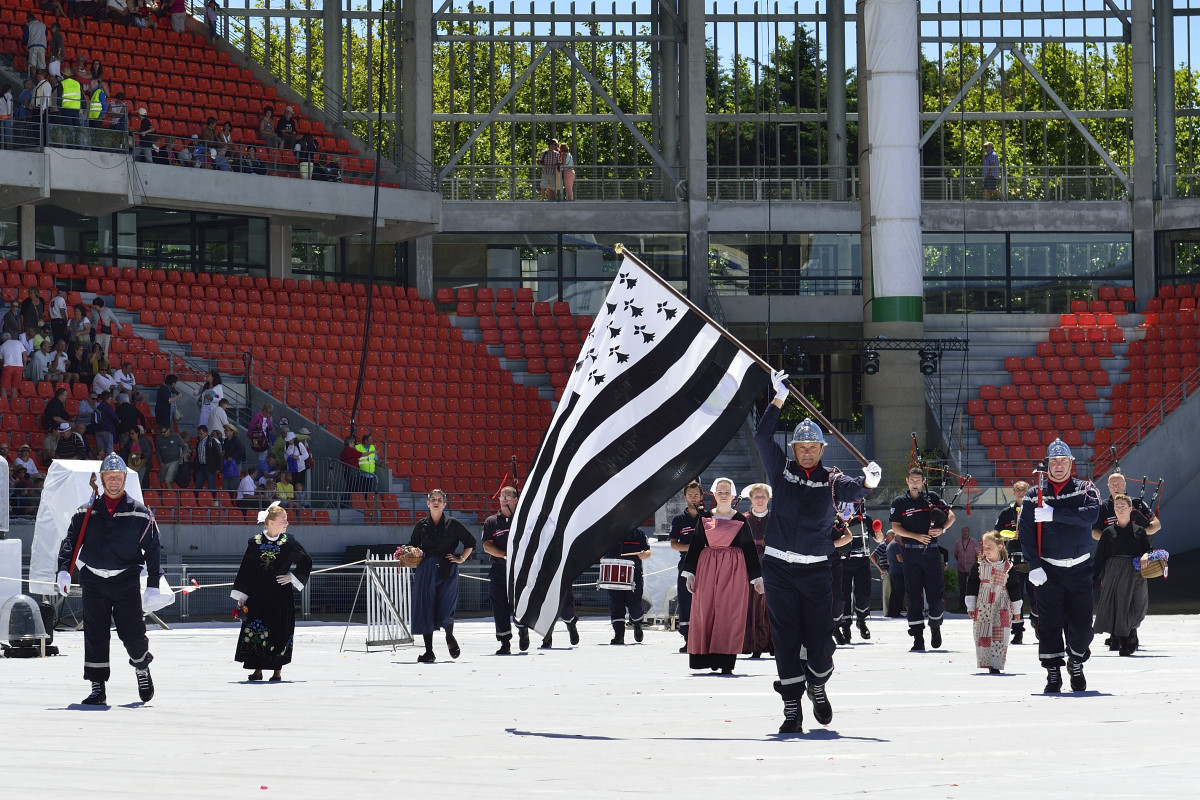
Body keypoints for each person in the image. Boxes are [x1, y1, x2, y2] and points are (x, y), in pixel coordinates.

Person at [754, 370, 880, 733]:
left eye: (813, 448)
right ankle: (792, 707)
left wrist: (870, 480)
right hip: (778, 569)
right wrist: (777, 398)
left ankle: (818, 684)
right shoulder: (781, 472)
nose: (807, 452)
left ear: (823, 450)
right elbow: (763, 435)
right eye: (801, 447)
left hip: (815, 571)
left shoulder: (832, 479)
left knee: (821, 640)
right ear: (793, 449)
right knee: (785, 637)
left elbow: (856, 491)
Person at [55, 453, 167, 705]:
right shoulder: (86, 512)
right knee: (94, 634)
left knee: (132, 634)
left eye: (118, 477)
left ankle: (141, 667)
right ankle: (97, 687)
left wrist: (152, 585)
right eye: (109, 477)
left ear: (124, 479)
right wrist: (63, 570)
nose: (114, 481)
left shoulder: (140, 513)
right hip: (93, 581)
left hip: (125, 580)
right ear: (101, 479)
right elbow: (70, 543)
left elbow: (153, 548)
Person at [1017, 438, 1101, 693]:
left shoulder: (1085, 488)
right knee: (1049, 624)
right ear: (1047, 465)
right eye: (1054, 461)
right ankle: (1053, 672)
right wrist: (1033, 566)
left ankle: (1076, 661)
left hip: (1079, 569)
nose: (1059, 466)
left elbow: (1092, 515)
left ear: (1071, 463)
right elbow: (1026, 532)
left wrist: (1054, 514)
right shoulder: (1034, 495)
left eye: (1063, 461)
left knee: (1083, 625)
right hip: (1048, 570)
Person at [680, 478, 760, 673]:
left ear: (733, 496)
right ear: (714, 495)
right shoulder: (705, 517)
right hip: (708, 569)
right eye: (720, 492)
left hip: (733, 569)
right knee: (705, 610)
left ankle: (725, 661)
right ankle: (704, 659)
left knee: (729, 612)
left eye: (727, 492)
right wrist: (690, 573)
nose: (723, 495)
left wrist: (757, 577)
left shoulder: (740, 519)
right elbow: (697, 545)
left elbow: (749, 549)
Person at [230, 503, 312, 682]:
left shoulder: (290, 543)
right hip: (257, 596)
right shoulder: (255, 543)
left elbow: (306, 561)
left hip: (280, 597)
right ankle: (257, 670)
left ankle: (277, 671)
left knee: (279, 630)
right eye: (283, 519)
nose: (287, 523)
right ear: (271, 522)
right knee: (257, 630)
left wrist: (292, 577)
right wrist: (242, 595)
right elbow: (246, 569)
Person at [890, 466, 954, 652]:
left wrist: (942, 529)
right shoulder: (900, 502)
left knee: (935, 594)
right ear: (907, 481)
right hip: (911, 553)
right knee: (913, 595)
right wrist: (916, 536)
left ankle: (935, 626)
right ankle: (918, 637)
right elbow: (896, 527)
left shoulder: (932, 497)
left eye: (919, 480)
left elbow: (951, 516)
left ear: (923, 482)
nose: (915, 483)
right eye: (912, 480)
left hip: (932, 553)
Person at [408, 488, 476, 663]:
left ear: (444, 504)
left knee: (446, 606)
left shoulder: (453, 523)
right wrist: (413, 550)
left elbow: (471, 542)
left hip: (448, 568)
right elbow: (411, 545)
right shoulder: (421, 525)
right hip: (426, 569)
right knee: (425, 607)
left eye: (439, 499)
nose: (436, 502)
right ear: (428, 503)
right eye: (433, 499)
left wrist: (461, 559)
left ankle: (449, 636)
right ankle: (429, 651)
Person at [1092, 493, 1152, 657]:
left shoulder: (1139, 531)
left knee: (1138, 605)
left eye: (1123, 506)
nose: (1119, 509)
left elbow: (1148, 549)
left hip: (1135, 572)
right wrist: (1091, 577)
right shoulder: (1107, 532)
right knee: (1120, 606)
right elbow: (1099, 557)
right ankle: (1123, 642)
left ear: (1130, 509)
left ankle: (1132, 630)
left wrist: (1146, 555)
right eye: (1117, 506)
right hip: (1115, 571)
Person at [965, 531, 1023, 674]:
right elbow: (971, 586)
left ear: (1000, 547)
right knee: (982, 633)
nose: (986, 549)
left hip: (1001, 604)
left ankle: (996, 664)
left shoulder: (1008, 568)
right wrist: (971, 605)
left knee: (1000, 634)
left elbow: (1014, 588)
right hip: (983, 604)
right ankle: (986, 661)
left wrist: (1016, 610)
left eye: (990, 546)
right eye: (984, 546)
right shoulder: (979, 566)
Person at [481, 486, 527, 654]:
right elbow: (486, 546)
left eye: (508, 496)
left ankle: (523, 629)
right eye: (502, 496)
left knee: (520, 604)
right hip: (499, 570)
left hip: (520, 571)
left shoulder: (523, 520)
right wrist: (505, 555)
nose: (504, 499)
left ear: (516, 499)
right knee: (499, 605)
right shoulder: (491, 521)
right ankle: (504, 643)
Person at [667, 480, 706, 653]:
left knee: (705, 601)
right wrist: (693, 547)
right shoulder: (678, 520)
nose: (693, 498)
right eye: (690, 495)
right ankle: (688, 638)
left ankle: (705, 637)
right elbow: (674, 544)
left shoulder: (708, 517)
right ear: (684, 497)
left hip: (706, 564)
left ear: (701, 497)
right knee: (685, 600)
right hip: (685, 564)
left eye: (696, 495)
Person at [994, 479, 1033, 644]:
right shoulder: (1006, 513)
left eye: (1024, 489)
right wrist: (1009, 535)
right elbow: (996, 536)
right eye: (1018, 489)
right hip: (1014, 559)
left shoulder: (1036, 511)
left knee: (1036, 596)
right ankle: (1018, 631)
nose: (1021, 492)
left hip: (1032, 559)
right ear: (1013, 492)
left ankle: (1038, 623)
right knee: (1015, 597)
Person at [837, 501, 882, 642]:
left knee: (864, 593)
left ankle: (861, 620)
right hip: (842, 560)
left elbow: (879, 539)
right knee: (843, 595)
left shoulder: (865, 518)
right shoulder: (836, 519)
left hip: (862, 560)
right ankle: (845, 626)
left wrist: (878, 531)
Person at [603, 527, 653, 646]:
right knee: (616, 604)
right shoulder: (609, 532)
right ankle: (619, 635)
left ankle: (637, 625)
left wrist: (645, 554)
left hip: (633, 574)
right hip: (614, 573)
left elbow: (648, 551)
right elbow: (600, 550)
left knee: (634, 603)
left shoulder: (638, 533)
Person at [741, 482, 774, 657]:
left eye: (763, 496)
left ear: (768, 499)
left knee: (772, 605)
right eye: (757, 497)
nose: (760, 500)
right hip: (750, 565)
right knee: (752, 605)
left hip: (773, 566)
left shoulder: (776, 518)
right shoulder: (743, 519)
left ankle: (773, 644)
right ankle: (754, 645)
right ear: (751, 499)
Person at [1092, 471, 1161, 542]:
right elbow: (1094, 532)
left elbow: (1156, 524)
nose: (1116, 487)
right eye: (1113, 484)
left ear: (1124, 485)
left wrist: (1139, 533)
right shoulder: (1101, 507)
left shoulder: (1137, 503)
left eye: (1119, 484)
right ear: (1108, 486)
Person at [953, 527, 981, 613]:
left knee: (972, 586)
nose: (965, 533)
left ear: (969, 532)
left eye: (966, 531)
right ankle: (962, 605)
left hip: (971, 568)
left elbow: (978, 555)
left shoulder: (974, 542)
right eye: (963, 531)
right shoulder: (958, 542)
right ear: (961, 532)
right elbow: (956, 554)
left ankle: (974, 605)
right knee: (962, 587)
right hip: (961, 567)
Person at [0, 332, 27, 399]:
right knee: (14, 389)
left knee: (3, 388)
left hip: (8, 367)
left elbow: (1, 360)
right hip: (19, 367)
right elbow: (25, 355)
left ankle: (5, 405)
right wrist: (24, 365)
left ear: (3, 339)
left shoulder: (2, 346)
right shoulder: (18, 343)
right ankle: (14, 405)